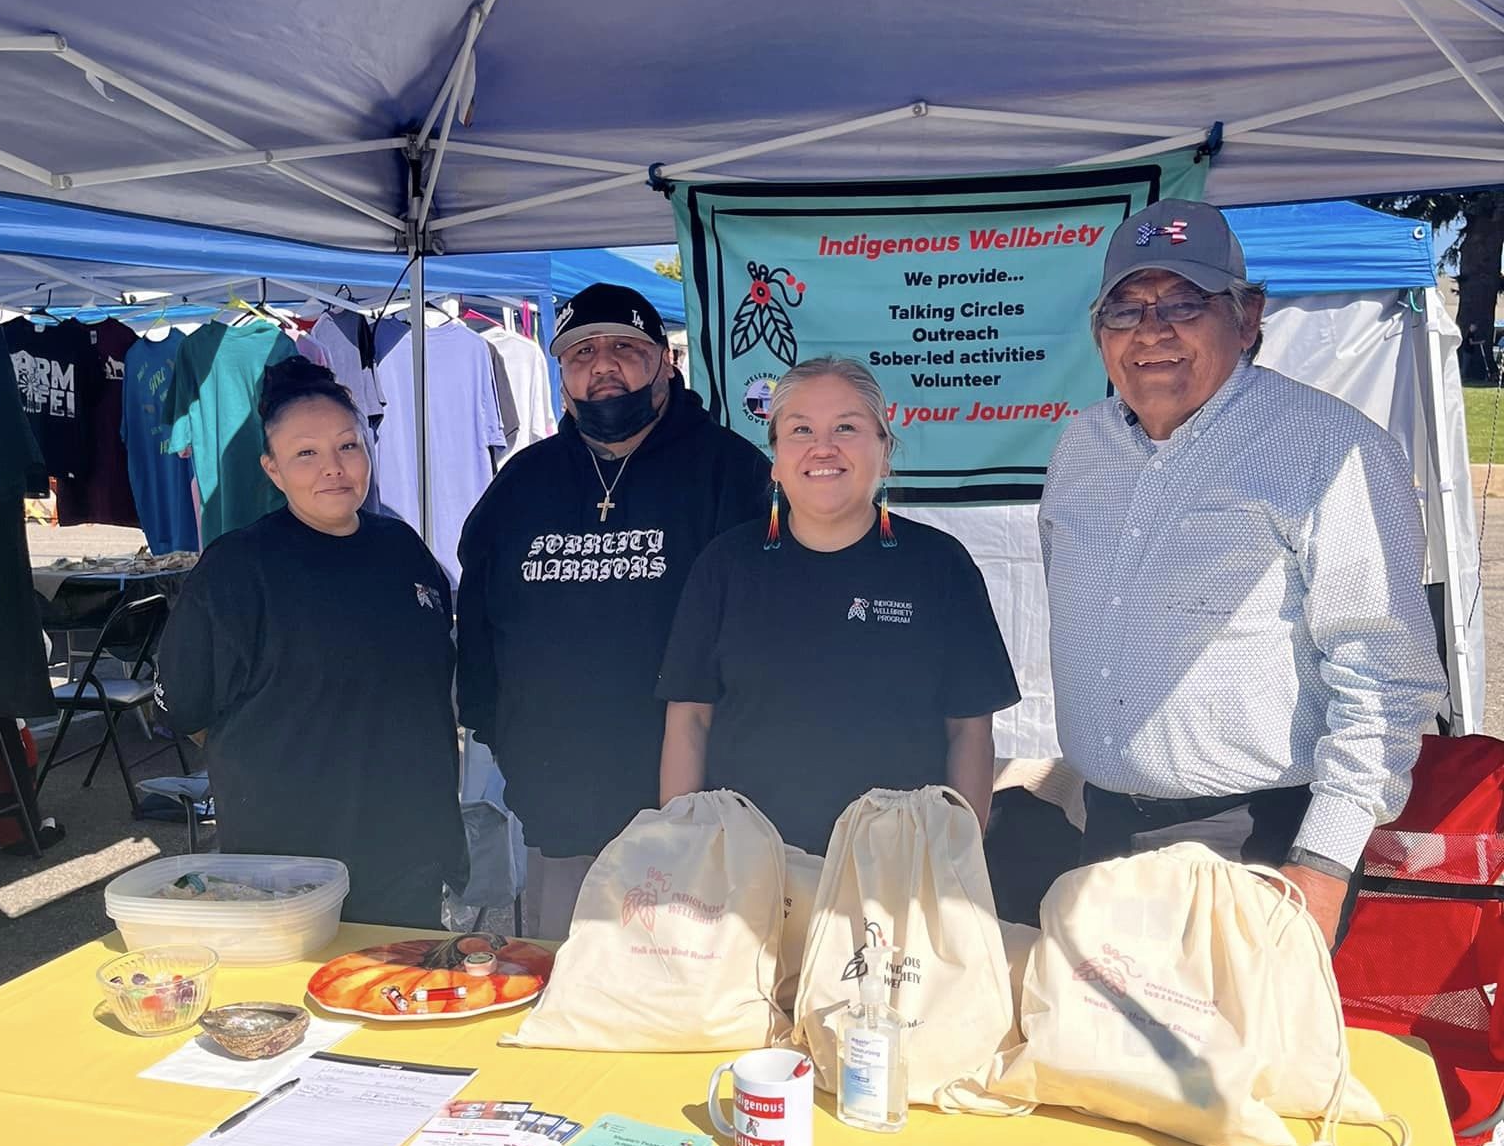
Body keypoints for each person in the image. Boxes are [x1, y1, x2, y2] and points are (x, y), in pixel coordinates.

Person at [1039, 198, 1448, 946]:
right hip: (1104, 827)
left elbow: (1387, 676)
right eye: (1125, 310)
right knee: (1101, 1059)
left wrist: (1322, 862)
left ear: (1248, 316)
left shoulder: (1330, 450)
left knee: (1229, 1063)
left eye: (1184, 304)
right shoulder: (1080, 449)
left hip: (1255, 840)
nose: (1152, 332)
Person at [456, 282, 771, 938]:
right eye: (581, 353)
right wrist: (497, 730)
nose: (603, 366)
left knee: (688, 992)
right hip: (560, 799)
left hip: (698, 810)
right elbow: (479, 616)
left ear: (665, 362)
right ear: (562, 375)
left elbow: (768, 626)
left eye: (625, 348)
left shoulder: (731, 472)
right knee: (571, 979)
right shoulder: (522, 482)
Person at [657, 356, 1019, 855]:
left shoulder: (940, 566)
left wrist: (957, 858)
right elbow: (690, 720)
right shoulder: (724, 566)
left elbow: (970, 733)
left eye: (846, 427)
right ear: (777, 459)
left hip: (896, 867)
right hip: (749, 866)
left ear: (884, 451)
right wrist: (682, 852)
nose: (822, 447)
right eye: (800, 429)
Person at [157, 356, 465, 927]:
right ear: (272, 470)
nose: (334, 468)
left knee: (398, 995)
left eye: (348, 446)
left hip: (407, 842)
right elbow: (187, 703)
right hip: (292, 858)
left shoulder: (401, 547)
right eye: (306, 453)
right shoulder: (240, 568)